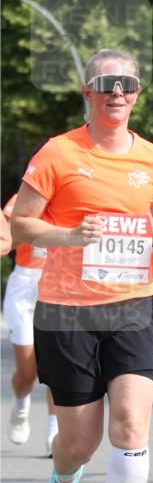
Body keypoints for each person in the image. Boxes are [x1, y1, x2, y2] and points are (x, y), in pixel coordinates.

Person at [10, 48, 153, 483]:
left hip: (137, 303)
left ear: (137, 93)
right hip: (67, 310)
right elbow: (20, 225)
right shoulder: (58, 152)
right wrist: (68, 237)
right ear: (87, 91)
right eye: (106, 83)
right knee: (79, 440)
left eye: (127, 83)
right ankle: (64, 480)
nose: (117, 92)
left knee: (132, 422)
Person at [2, 191, 58, 453]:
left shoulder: (80, 191)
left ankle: (53, 432)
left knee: (58, 364)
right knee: (27, 373)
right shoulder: (27, 196)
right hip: (26, 285)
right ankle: (20, 405)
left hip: (61, 284)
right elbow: (6, 241)